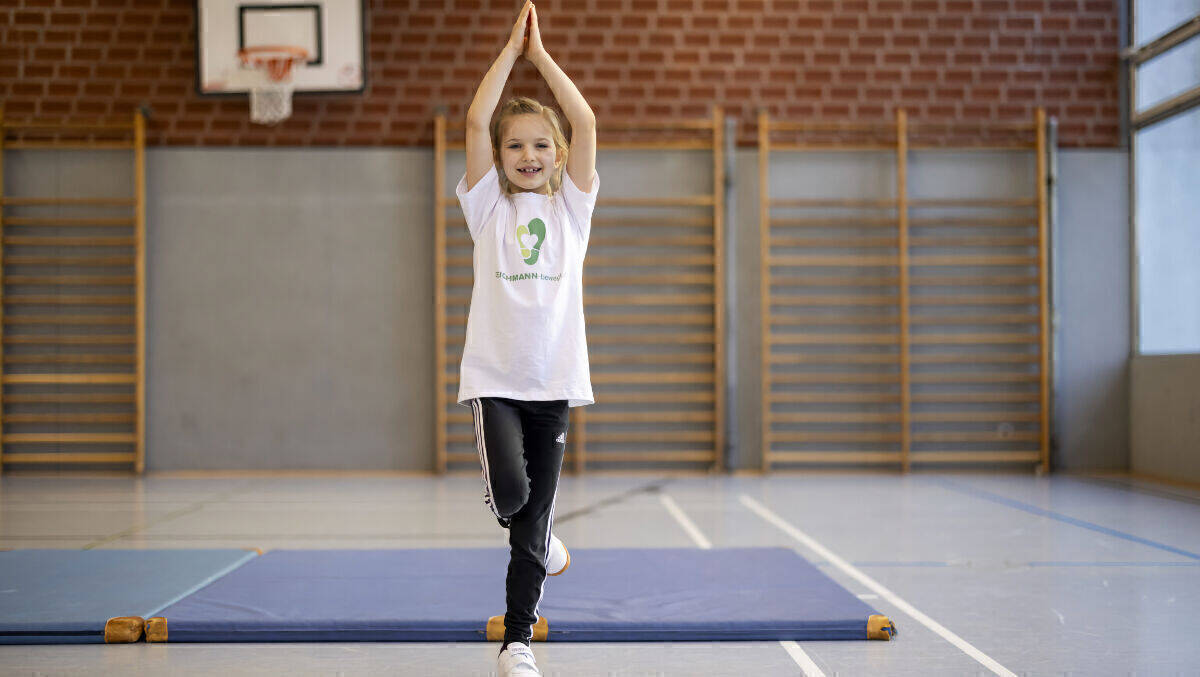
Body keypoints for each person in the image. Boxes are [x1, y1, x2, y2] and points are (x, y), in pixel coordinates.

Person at [455, 2, 598, 675]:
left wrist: (544, 61)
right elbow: (476, 119)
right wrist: (512, 53)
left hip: (556, 380)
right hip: (496, 378)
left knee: (532, 521)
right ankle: (540, 532)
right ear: (499, 158)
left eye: (541, 145)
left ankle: (518, 641)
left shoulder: (572, 210)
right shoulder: (488, 207)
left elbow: (588, 119)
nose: (528, 155)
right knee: (513, 495)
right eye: (515, 146)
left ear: (560, 156)